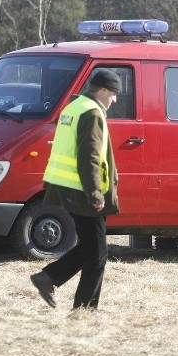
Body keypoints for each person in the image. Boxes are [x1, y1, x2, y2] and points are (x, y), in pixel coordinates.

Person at [30, 69, 121, 311]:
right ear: (102, 90)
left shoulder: (73, 108)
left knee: (91, 248)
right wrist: (95, 193)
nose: (115, 100)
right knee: (98, 252)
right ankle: (84, 309)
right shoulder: (91, 113)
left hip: (67, 187)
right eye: (113, 94)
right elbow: (88, 156)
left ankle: (48, 278)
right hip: (82, 189)